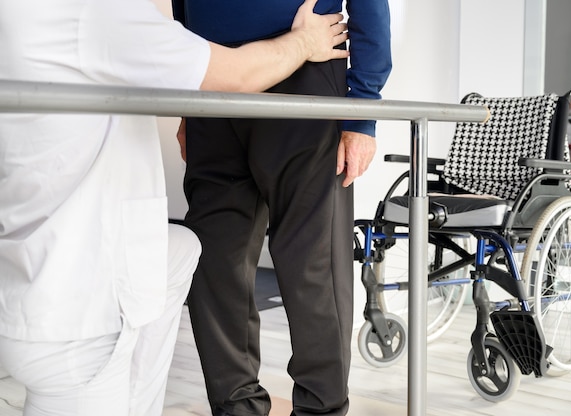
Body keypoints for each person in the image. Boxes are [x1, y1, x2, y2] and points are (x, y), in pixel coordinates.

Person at [0, 0, 348, 415]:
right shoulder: (92, 12)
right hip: (82, 325)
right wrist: (306, 40)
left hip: (24, 290)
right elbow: (236, 74)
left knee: (184, 249)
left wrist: (361, 117)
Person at [171, 0, 392, 415]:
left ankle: (320, 408)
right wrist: (188, 100)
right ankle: (236, 407)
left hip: (306, 71)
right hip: (216, 77)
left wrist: (362, 110)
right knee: (214, 260)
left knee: (312, 261)